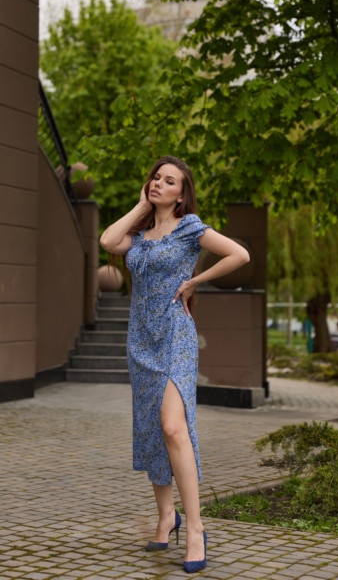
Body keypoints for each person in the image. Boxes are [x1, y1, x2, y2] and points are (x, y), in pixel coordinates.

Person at [100, 155, 250, 573]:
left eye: (169, 181)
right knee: (152, 427)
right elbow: (108, 241)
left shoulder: (190, 228)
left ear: (182, 195)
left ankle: (196, 527)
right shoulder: (139, 234)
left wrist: (194, 282)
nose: (159, 184)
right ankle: (167, 516)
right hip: (140, 339)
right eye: (155, 178)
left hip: (174, 336)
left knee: (172, 426)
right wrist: (141, 206)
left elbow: (239, 254)